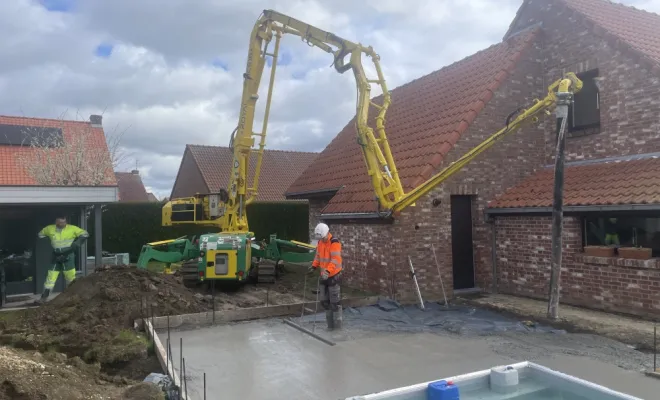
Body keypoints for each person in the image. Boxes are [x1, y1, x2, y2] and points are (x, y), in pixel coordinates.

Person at [36, 216, 89, 303]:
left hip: (68, 255)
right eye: (60, 223)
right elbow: (40, 235)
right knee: (50, 278)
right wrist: (49, 244)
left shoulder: (72, 228)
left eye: (64, 222)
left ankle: (73, 298)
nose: (63, 224)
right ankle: (44, 298)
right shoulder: (49, 229)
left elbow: (85, 234)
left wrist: (75, 245)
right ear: (56, 222)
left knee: (70, 278)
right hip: (56, 256)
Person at [308, 222, 343, 330]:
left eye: (323, 238)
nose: (322, 240)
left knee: (334, 303)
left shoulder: (334, 243)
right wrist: (313, 267)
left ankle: (337, 327)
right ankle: (330, 326)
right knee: (324, 302)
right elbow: (318, 257)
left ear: (327, 233)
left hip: (333, 276)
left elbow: (335, 260)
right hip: (324, 276)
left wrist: (328, 271)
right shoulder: (320, 242)